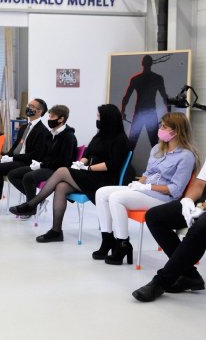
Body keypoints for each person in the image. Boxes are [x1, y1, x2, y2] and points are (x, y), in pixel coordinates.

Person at [133, 109, 206, 302]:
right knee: (155, 216)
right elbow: (199, 184)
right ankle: (189, 275)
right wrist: (187, 200)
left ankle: (161, 282)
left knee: (201, 227)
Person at [10, 104, 133, 243]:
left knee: (62, 170)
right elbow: (88, 154)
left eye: (99, 116)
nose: (97, 119)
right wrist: (81, 163)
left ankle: (32, 204)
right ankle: (56, 231)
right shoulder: (100, 136)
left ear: (108, 118)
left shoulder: (120, 139)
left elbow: (112, 165)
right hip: (90, 175)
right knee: (61, 187)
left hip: (104, 179)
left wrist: (88, 168)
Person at [93, 112, 198, 265]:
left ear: (176, 131)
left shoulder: (186, 156)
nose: (160, 129)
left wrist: (147, 186)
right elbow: (148, 173)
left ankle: (122, 244)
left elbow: (176, 190)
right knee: (101, 192)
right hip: (145, 190)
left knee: (116, 198)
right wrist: (137, 185)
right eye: (161, 125)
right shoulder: (157, 148)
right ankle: (107, 239)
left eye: (164, 127)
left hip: (164, 198)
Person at [0, 98, 50, 215]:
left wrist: (12, 158)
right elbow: (16, 147)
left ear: (39, 111)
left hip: (26, 162)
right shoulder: (24, 127)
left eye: (32, 106)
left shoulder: (43, 131)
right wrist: (6, 156)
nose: (28, 108)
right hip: (15, 159)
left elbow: (35, 155)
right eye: (29, 105)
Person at [6, 105, 77, 215]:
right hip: (45, 165)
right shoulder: (50, 134)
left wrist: (42, 165)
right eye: (49, 116)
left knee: (29, 177)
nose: (49, 119)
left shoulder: (68, 137)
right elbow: (44, 153)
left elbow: (63, 162)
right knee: (13, 174)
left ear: (61, 119)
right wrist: (39, 162)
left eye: (52, 117)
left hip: (57, 170)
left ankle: (31, 208)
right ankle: (37, 201)